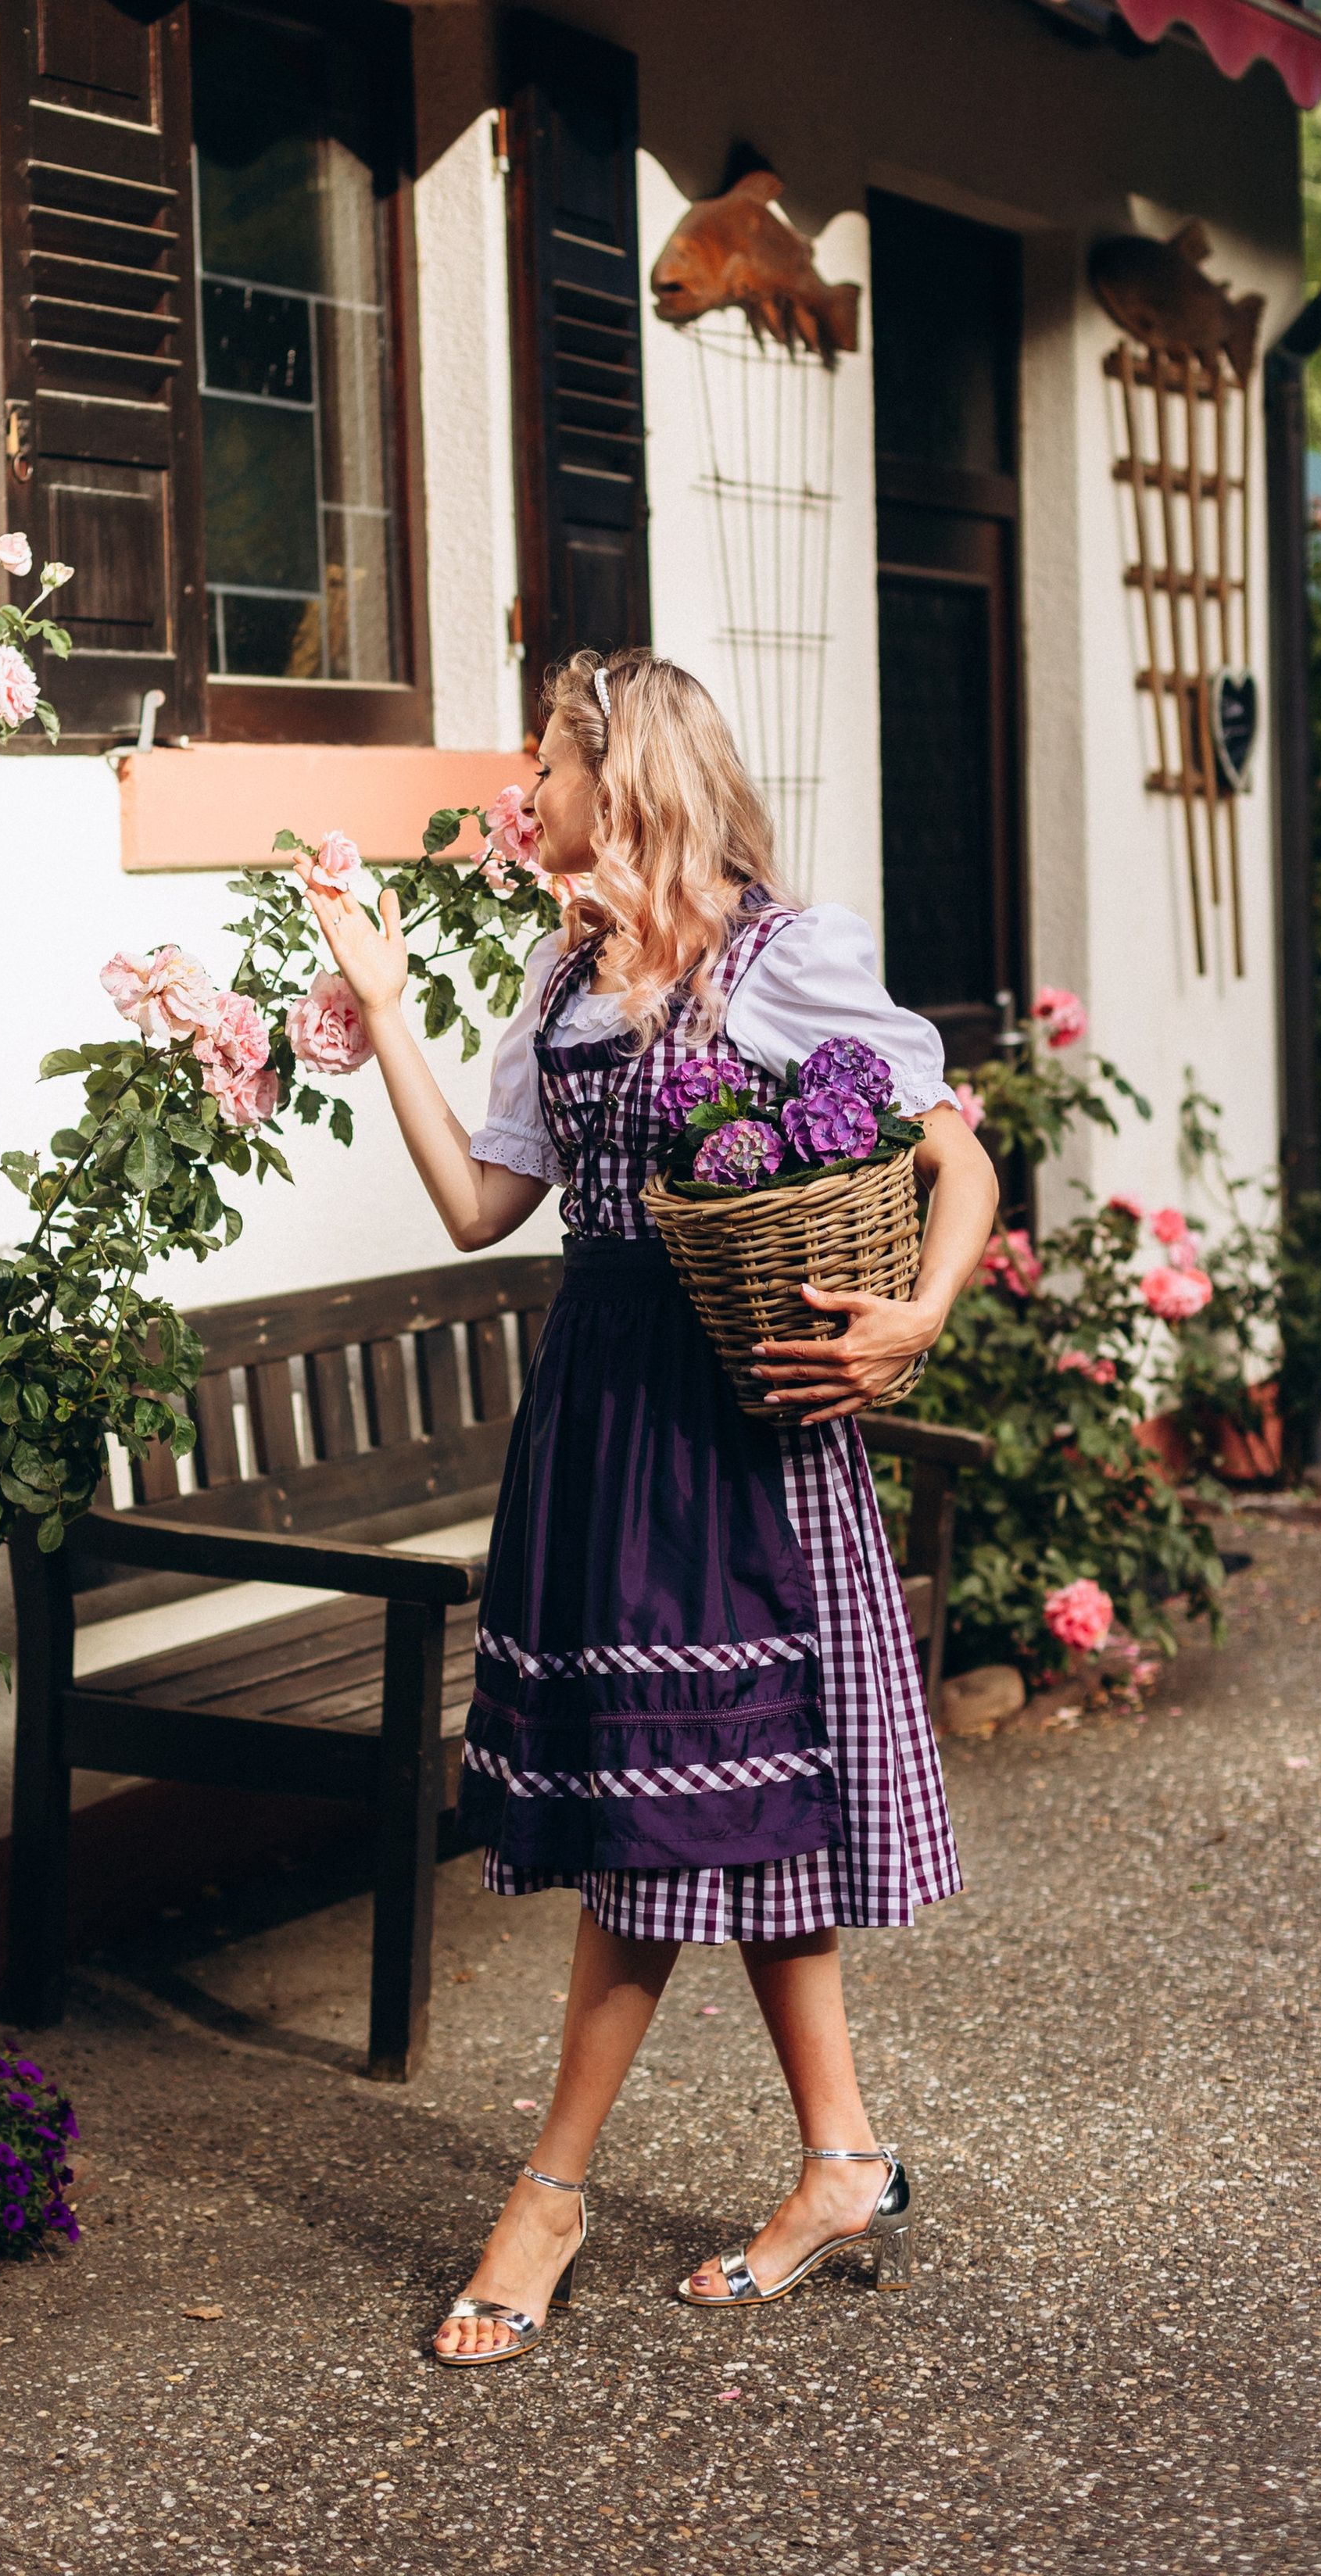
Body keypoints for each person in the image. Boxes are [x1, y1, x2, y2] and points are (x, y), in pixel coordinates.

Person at [299, 649, 999, 2367]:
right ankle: (839, 2160)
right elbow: (478, 1209)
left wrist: (921, 1310)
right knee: (709, 1797)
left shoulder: (781, 956)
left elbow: (951, 1155)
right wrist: (384, 1008)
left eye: (540, 764)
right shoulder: (559, 978)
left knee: (663, 1802)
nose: (517, 790)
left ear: (620, 783)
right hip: (602, 1418)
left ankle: (549, 2190)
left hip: (736, 1424)